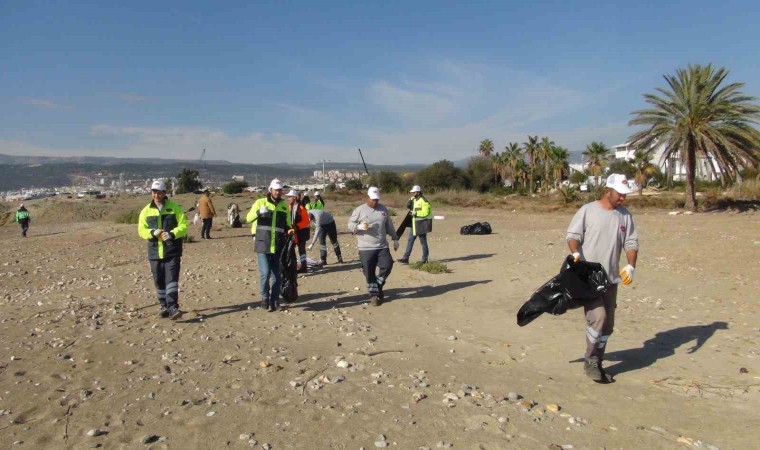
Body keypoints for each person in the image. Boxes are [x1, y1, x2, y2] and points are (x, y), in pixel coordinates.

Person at [566, 173, 639, 383]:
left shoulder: (625, 216)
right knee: (598, 317)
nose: (623, 198)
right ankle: (590, 361)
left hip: (611, 279)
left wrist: (631, 266)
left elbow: (631, 243)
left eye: (625, 195)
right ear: (608, 191)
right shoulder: (588, 211)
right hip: (589, 278)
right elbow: (573, 236)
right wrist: (576, 253)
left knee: (608, 326)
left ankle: (597, 360)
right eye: (620, 194)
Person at [137, 180, 188, 320]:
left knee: (171, 280)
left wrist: (172, 233)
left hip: (172, 251)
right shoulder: (146, 211)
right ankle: (164, 306)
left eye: (159, 192)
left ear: (165, 193)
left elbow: (184, 226)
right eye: (154, 192)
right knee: (159, 281)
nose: (156, 195)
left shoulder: (174, 208)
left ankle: (172, 307)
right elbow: (141, 230)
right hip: (154, 253)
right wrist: (152, 233)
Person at [246, 179, 293, 312]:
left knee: (277, 275)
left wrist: (290, 229)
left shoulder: (284, 205)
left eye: (280, 190)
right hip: (263, 243)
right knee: (265, 273)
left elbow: (287, 224)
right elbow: (248, 218)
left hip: (278, 244)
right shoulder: (260, 202)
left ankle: (275, 300)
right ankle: (265, 298)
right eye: (276, 190)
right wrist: (258, 212)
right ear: (270, 190)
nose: (278, 192)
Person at [348, 187, 399, 306]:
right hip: (365, 247)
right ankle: (374, 295)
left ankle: (377, 286)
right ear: (368, 197)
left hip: (381, 245)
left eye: (377, 200)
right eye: (373, 199)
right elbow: (350, 224)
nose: (375, 202)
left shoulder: (383, 209)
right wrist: (359, 227)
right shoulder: (359, 210)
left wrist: (395, 238)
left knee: (387, 265)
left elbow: (389, 225)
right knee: (369, 272)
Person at [397, 185, 432, 264]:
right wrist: (410, 200)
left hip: (421, 224)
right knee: (410, 240)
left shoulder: (423, 200)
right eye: (412, 192)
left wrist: (416, 213)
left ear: (418, 192)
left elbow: (426, 212)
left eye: (413, 192)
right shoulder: (414, 199)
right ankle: (405, 258)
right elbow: (408, 206)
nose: (412, 193)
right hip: (414, 224)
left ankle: (424, 259)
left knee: (423, 242)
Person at [285, 190, 310, 273]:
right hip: (293, 232)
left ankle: (303, 267)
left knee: (301, 250)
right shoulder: (289, 207)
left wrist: (297, 227)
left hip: (300, 232)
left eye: (289, 197)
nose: (288, 198)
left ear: (295, 197)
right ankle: (293, 266)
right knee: (290, 249)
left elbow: (306, 221)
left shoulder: (302, 208)